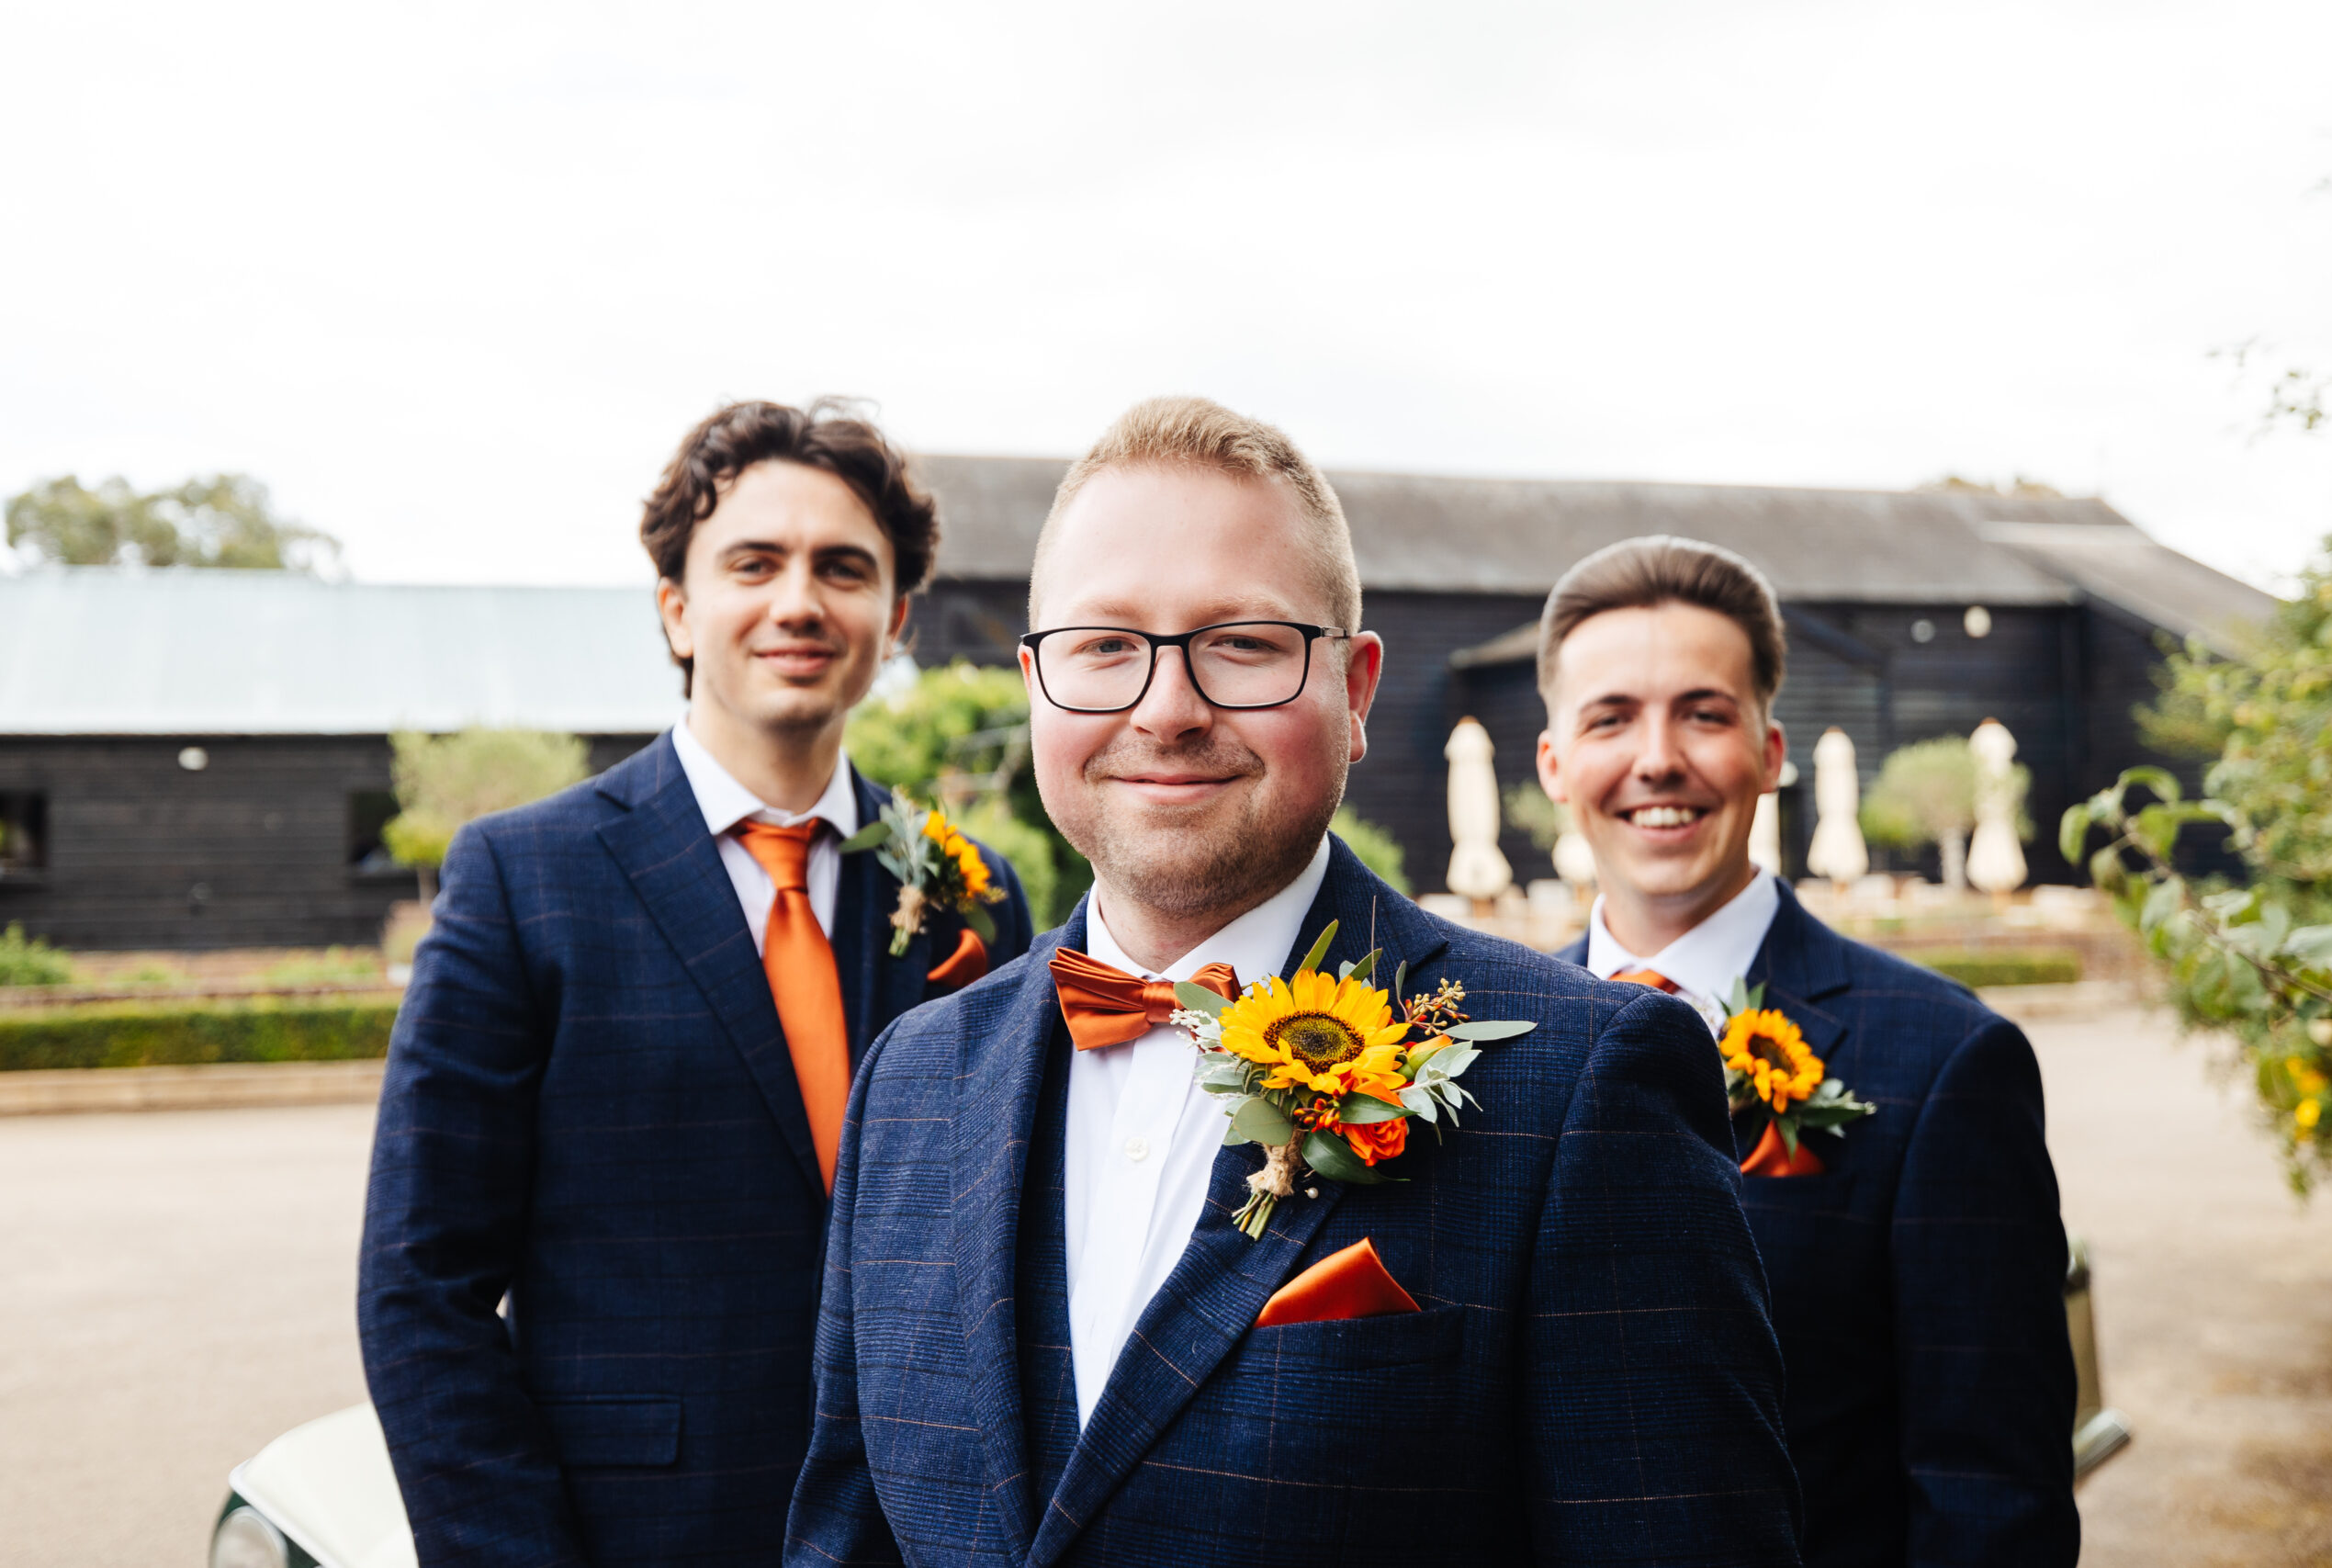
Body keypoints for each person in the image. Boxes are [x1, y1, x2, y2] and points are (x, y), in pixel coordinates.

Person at [783, 398, 1800, 1567]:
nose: (1165, 709)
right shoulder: (912, 1079)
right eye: (1104, 645)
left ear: (1356, 690)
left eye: (1243, 644)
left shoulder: (1586, 1084)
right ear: (1034, 684)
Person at [358, 400, 1033, 1567]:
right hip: (646, 1532)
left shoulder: (976, 896)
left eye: (843, 568)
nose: (799, 602)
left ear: (896, 616)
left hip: (934, 1529)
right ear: (677, 609)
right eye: (753, 564)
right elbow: (424, 1289)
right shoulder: (524, 879)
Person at [1539, 536, 2079, 1566]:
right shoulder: (1477, 1043)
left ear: (1770, 753)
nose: (1658, 757)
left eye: (1704, 712)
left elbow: (1989, 1491)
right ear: (1556, 764)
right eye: (1611, 718)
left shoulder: (1947, 1062)